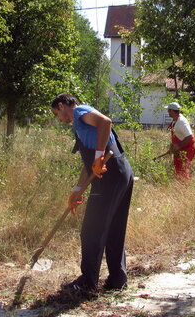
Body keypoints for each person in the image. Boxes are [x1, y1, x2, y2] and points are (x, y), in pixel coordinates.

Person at [51, 93, 134, 295]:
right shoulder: (81, 127)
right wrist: (77, 191)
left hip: (110, 173)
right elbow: (90, 166)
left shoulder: (80, 112)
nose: (58, 119)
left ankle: (87, 282)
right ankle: (117, 279)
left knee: (91, 230)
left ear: (62, 106)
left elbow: (105, 122)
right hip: (121, 172)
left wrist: (98, 157)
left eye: (56, 114)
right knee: (114, 228)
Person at [166, 102, 195, 182]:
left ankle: (184, 187)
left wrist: (178, 146)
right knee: (178, 167)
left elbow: (190, 137)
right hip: (180, 149)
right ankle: (179, 186)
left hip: (188, 149)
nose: (167, 112)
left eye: (168, 110)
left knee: (183, 169)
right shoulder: (175, 120)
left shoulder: (182, 122)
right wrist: (173, 147)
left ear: (172, 111)